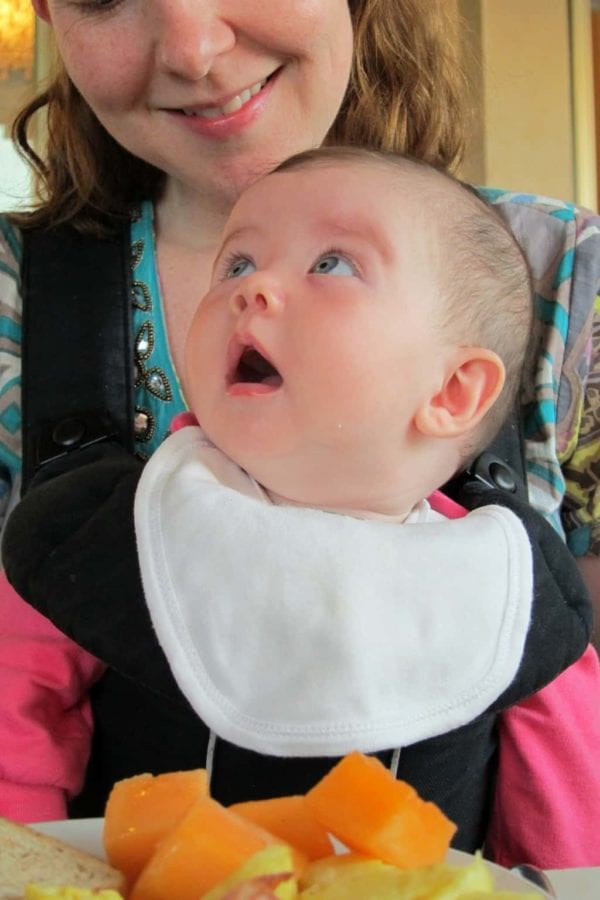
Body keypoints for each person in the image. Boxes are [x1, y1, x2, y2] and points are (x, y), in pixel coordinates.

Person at [0, 0, 598, 867]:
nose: (195, 50)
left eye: (332, 264)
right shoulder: (105, 532)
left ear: (455, 390)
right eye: (237, 264)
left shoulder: (505, 569)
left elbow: (568, 807)